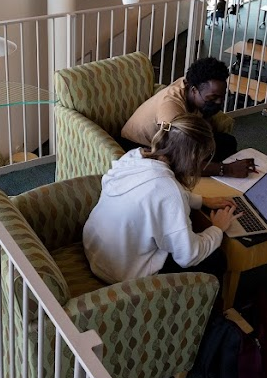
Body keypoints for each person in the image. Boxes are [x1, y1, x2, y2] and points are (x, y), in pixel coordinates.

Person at [84, 116, 235, 284]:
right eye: (203, 158)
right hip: (120, 273)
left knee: (187, 224)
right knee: (216, 260)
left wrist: (201, 200)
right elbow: (188, 256)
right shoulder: (170, 192)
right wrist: (217, 228)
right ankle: (213, 309)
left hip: (95, 248)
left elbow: (155, 193)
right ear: (193, 156)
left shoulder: (135, 157)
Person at [121, 56, 256, 178]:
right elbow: (175, 159)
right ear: (194, 91)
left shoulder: (191, 84)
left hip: (176, 139)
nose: (219, 103)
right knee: (183, 164)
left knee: (227, 142)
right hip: (140, 146)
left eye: (222, 97)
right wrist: (227, 170)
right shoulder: (171, 110)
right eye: (213, 98)